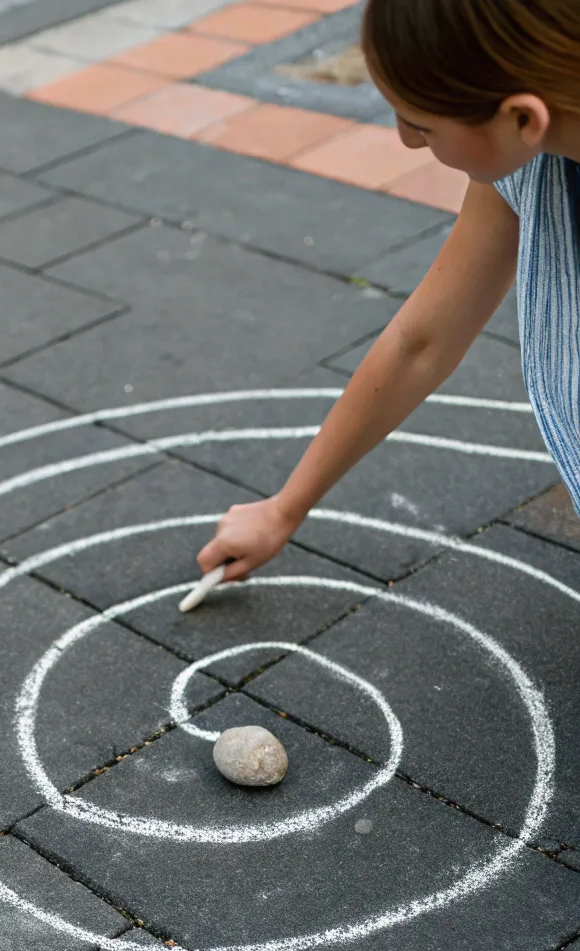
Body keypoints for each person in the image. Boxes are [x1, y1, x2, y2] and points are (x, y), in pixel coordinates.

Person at [196, 0, 580, 585]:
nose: (406, 142)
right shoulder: (529, 162)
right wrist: (283, 508)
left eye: (421, 125)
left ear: (523, 118)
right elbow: (421, 341)